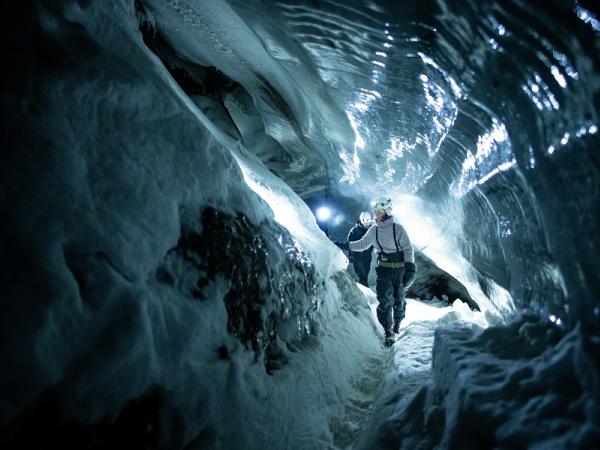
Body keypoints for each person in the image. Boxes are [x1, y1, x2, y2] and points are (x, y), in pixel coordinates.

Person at [336, 197, 416, 344]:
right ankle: (389, 331)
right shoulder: (373, 230)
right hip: (384, 270)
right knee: (384, 301)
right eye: (375, 212)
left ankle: (397, 325)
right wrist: (343, 245)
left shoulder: (398, 229)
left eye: (378, 212)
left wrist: (410, 268)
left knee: (399, 300)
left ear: (386, 211)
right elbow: (361, 244)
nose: (375, 214)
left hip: (400, 270)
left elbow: (407, 249)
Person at [346, 212, 374, 287]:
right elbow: (350, 242)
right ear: (361, 220)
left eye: (367, 220)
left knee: (365, 275)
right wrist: (351, 254)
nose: (366, 223)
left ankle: (363, 288)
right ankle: (364, 288)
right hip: (357, 257)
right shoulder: (355, 230)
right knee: (362, 276)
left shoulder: (372, 230)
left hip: (367, 257)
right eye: (364, 220)